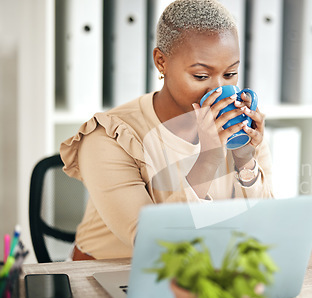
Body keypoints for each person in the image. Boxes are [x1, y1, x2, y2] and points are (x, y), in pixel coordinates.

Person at [60, 0, 273, 260]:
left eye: (230, 74)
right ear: (161, 61)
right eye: (201, 76)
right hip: (109, 272)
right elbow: (152, 243)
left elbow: (264, 226)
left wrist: (245, 160)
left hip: (202, 269)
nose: (218, 90)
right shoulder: (109, 136)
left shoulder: (240, 126)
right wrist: (208, 159)